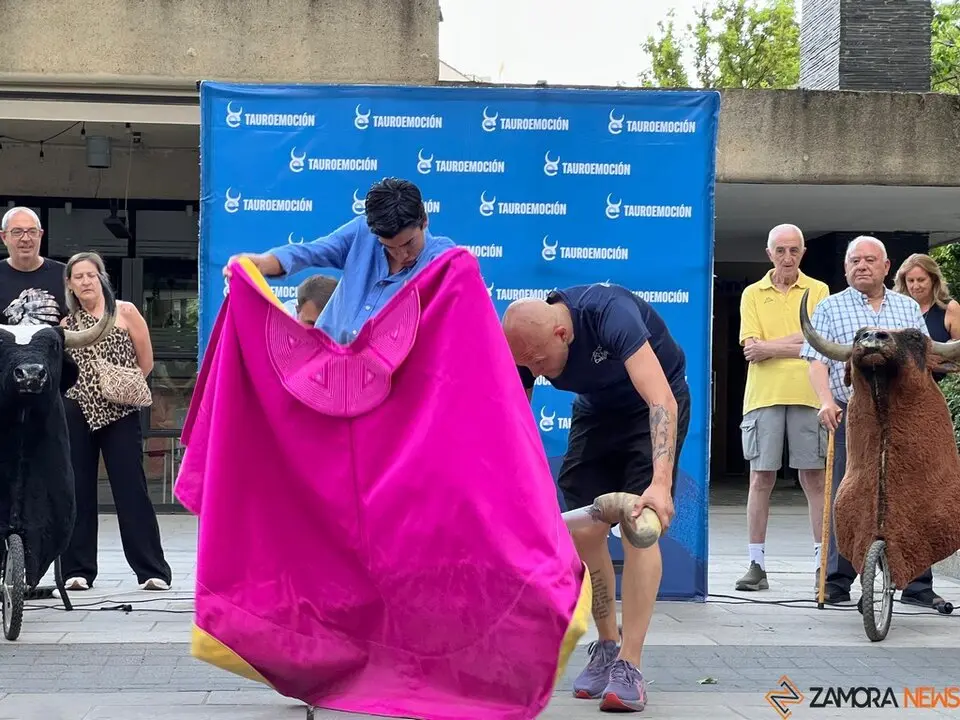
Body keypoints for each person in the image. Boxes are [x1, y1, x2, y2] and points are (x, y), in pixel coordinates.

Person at [502, 283, 689, 714]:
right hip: (597, 412)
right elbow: (513, 423)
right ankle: (607, 645)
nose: (541, 374)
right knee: (583, 530)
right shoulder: (527, 344)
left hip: (652, 406)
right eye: (528, 365)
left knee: (639, 528)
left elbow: (660, 399)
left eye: (541, 363)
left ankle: (631, 664)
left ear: (562, 334)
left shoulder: (609, 313)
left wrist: (660, 484)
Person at [800, 236, 949, 608]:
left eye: (870, 259)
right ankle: (837, 579)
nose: (861, 265)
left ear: (886, 267)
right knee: (847, 495)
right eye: (855, 260)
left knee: (914, 493)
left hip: (907, 419)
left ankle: (916, 583)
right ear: (845, 268)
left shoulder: (907, 307)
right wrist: (824, 402)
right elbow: (816, 359)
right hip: (854, 413)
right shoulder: (830, 307)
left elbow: (923, 358)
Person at [59, 252, 173, 592]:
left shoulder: (125, 312)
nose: (85, 282)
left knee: (131, 488)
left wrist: (121, 388)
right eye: (77, 277)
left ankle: (151, 569)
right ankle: (76, 570)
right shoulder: (66, 325)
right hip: (77, 409)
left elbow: (147, 360)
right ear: (70, 285)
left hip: (120, 411)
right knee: (78, 489)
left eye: (90, 275)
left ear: (102, 278)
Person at [224, 178, 455, 344]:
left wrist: (463, 269)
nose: (402, 255)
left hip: (389, 380)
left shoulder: (442, 256)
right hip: (327, 361)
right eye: (390, 248)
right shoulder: (361, 233)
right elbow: (311, 252)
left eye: (409, 244)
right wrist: (264, 263)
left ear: (424, 221)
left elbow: (457, 279)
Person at [736, 224, 830, 592]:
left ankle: (823, 563)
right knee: (761, 479)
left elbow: (818, 341)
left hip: (810, 394)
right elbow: (749, 347)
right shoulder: (750, 293)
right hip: (763, 396)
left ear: (803, 253)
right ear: (769, 253)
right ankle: (756, 564)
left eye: (794, 250)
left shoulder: (819, 290)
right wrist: (799, 342)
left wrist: (771, 348)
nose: (787, 257)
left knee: (815, 479)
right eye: (781, 250)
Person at [894, 253, 960, 382]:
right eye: (911, 281)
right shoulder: (896, 309)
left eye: (921, 280)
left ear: (933, 279)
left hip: (941, 387)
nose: (916, 286)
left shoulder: (950, 308)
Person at [0, 206, 67, 326]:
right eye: (17, 232)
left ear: (40, 235)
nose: (26, 238)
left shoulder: (66, 275)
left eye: (32, 231)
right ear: (4, 237)